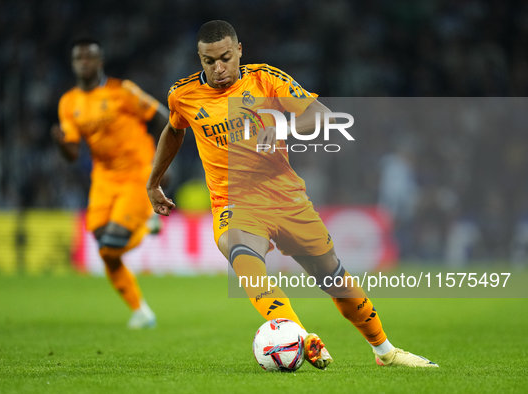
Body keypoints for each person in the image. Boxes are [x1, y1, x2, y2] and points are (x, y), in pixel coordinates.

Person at [147, 20, 438, 368]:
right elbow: (174, 130)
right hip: (235, 203)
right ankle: (301, 338)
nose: (218, 68)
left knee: (334, 278)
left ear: (239, 50)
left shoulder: (266, 79)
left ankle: (385, 352)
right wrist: (153, 182)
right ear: (200, 59)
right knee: (243, 255)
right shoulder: (183, 94)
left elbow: (323, 116)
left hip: (286, 197)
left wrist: (281, 125)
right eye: (209, 61)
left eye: (225, 57)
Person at [52, 38, 168, 329]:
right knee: (105, 248)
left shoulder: (122, 91)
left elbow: (162, 118)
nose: (83, 63)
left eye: (89, 57)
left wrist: (160, 165)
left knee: (112, 244)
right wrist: (60, 144)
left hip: (136, 173)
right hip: (103, 177)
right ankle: (141, 310)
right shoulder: (69, 102)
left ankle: (145, 223)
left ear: (99, 61)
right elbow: (72, 153)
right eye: (78, 58)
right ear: (73, 63)